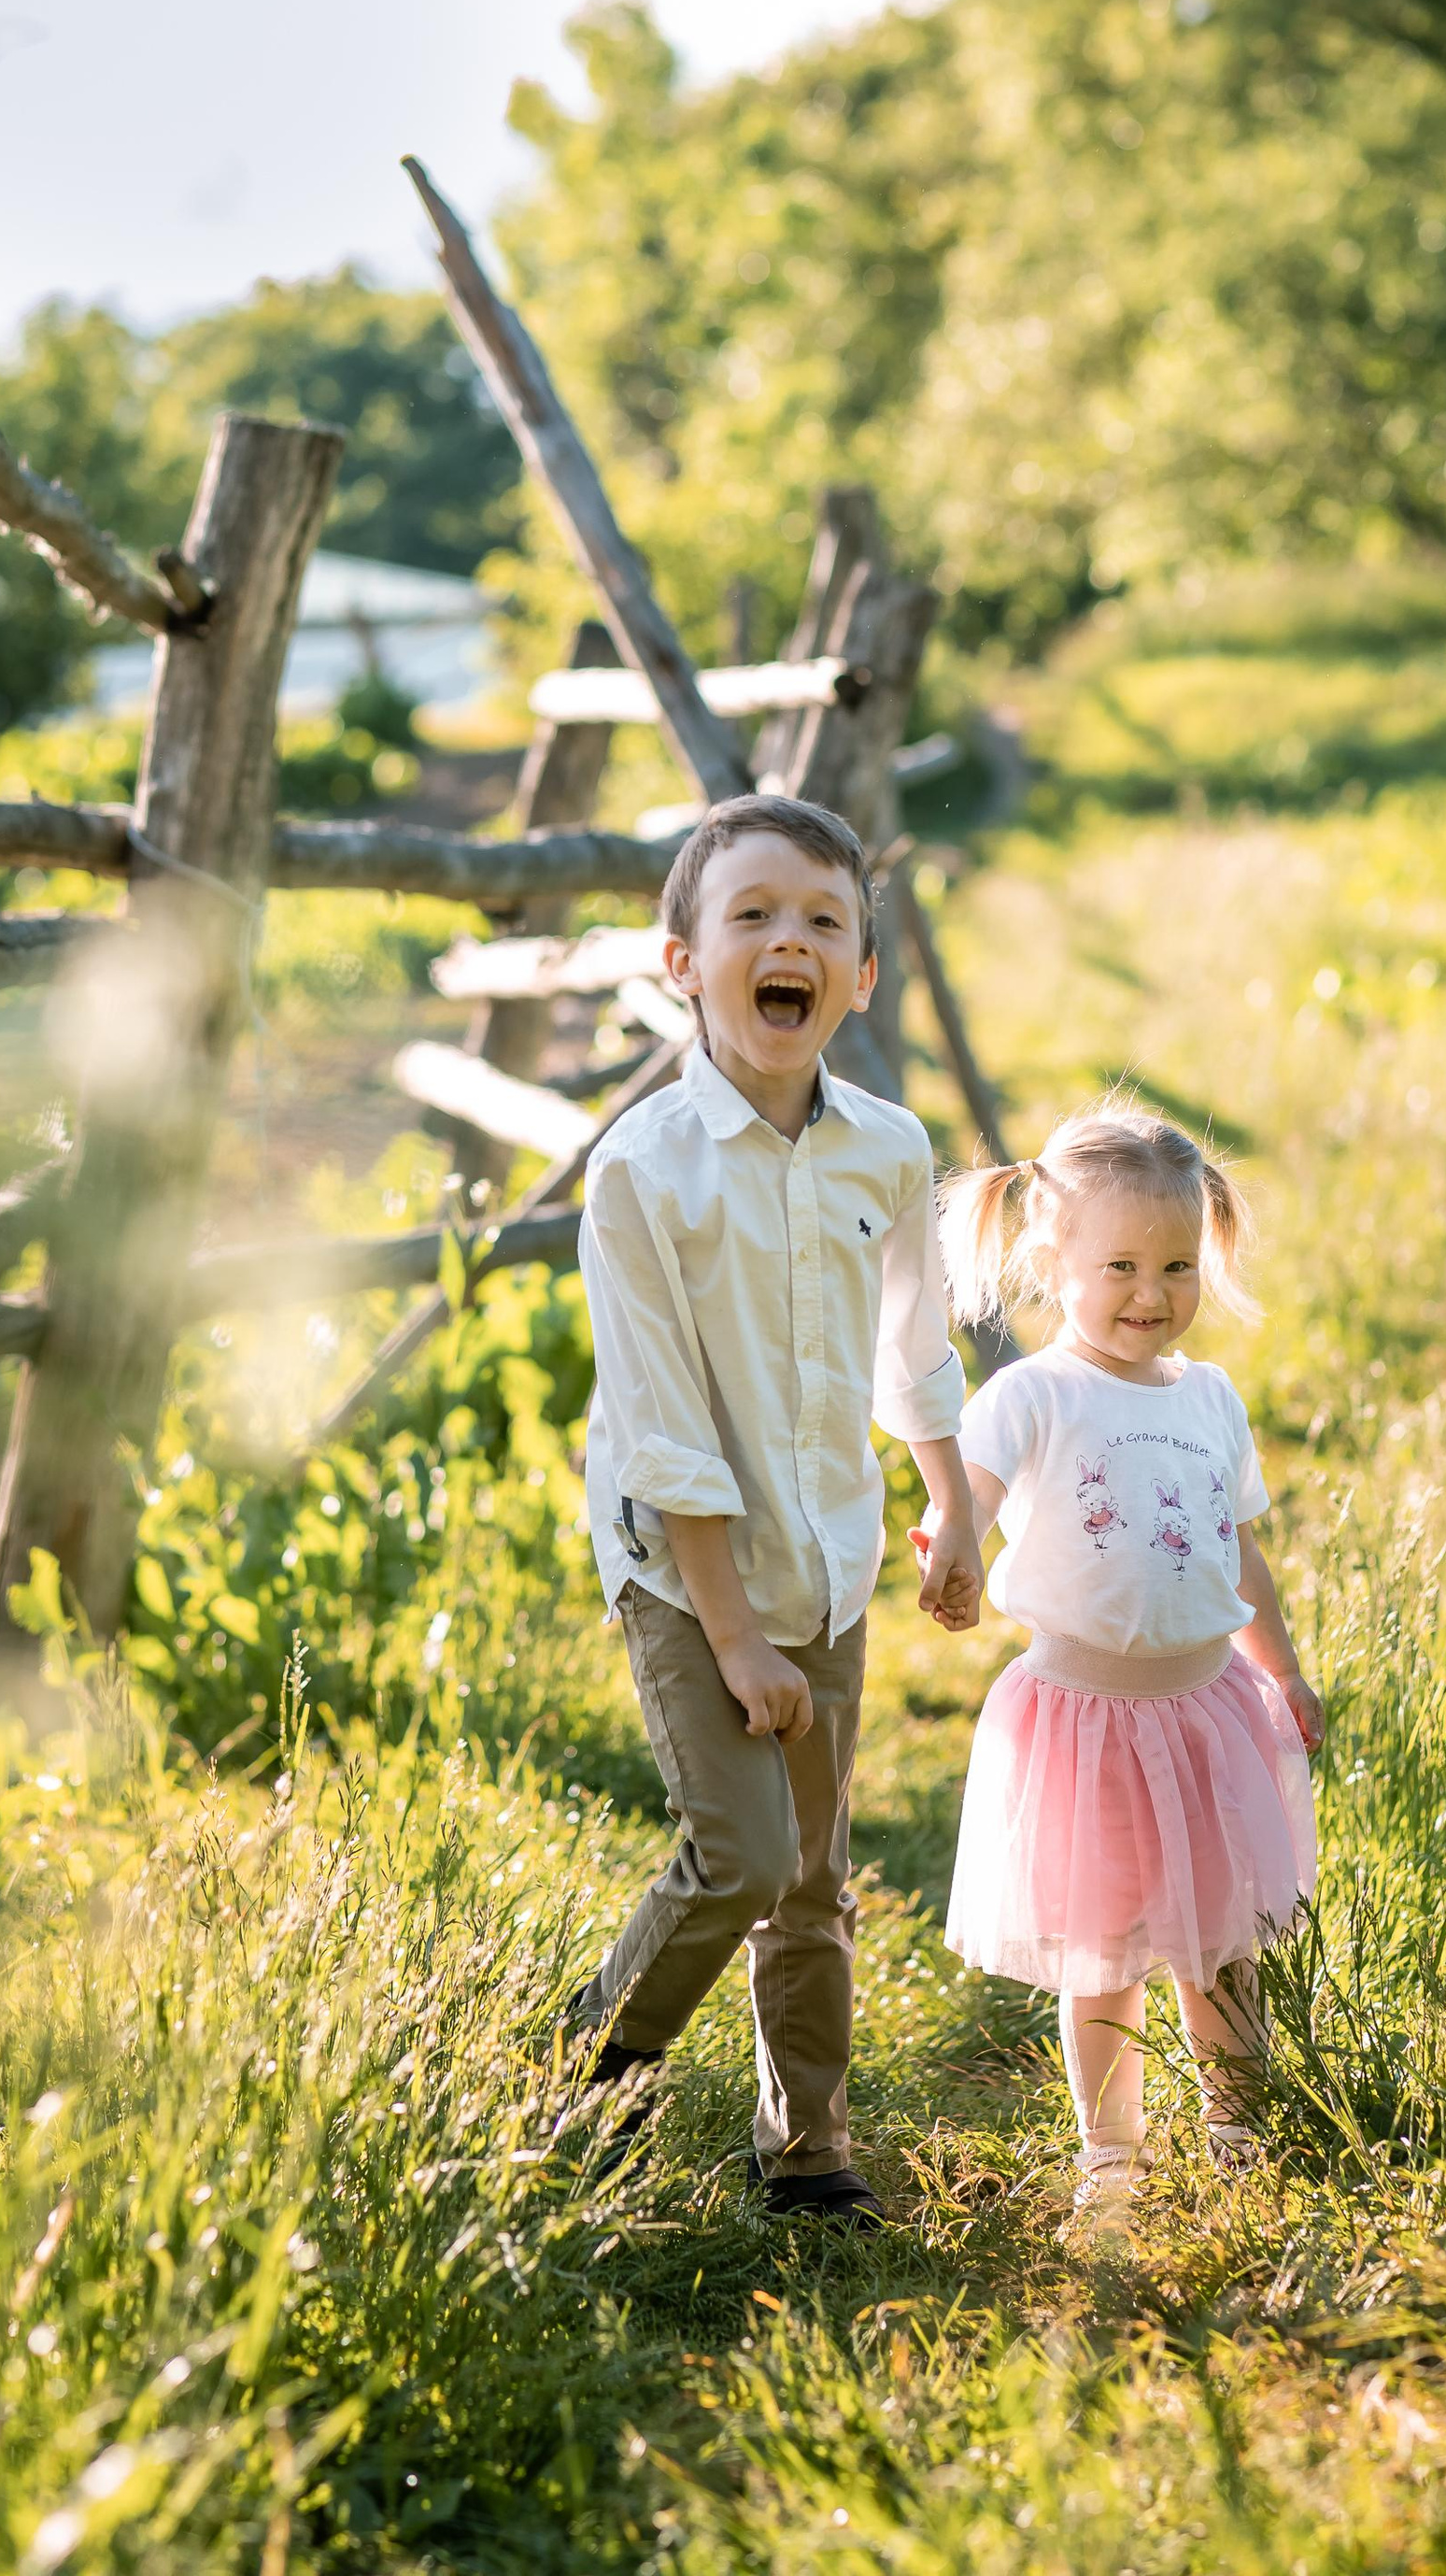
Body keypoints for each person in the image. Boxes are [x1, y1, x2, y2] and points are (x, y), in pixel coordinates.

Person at [566, 790, 982, 2222]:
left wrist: (952, 1504)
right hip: (691, 1574)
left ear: (860, 976)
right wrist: (737, 1638)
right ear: (684, 963)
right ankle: (591, 2061)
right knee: (742, 1855)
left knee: (812, 1876)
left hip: (829, 1557)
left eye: (822, 921)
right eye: (751, 915)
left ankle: (807, 2154)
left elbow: (913, 1348)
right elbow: (665, 1431)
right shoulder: (641, 1174)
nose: (787, 940)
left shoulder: (889, 1151)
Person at [936, 1094, 1323, 2219]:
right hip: (1084, 1717)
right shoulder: (1032, 1396)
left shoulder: (1209, 1398)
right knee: (1101, 1953)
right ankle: (1111, 2155)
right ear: (1052, 1260)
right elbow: (970, 1496)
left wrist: (1283, 1669)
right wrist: (952, 1545)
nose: (1151, 1295)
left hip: (1207, 1708)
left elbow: (1237, 1550)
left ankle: (1237, 2132)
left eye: (1176, 1267)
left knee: (1221, 1941)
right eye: (1120, 1267)